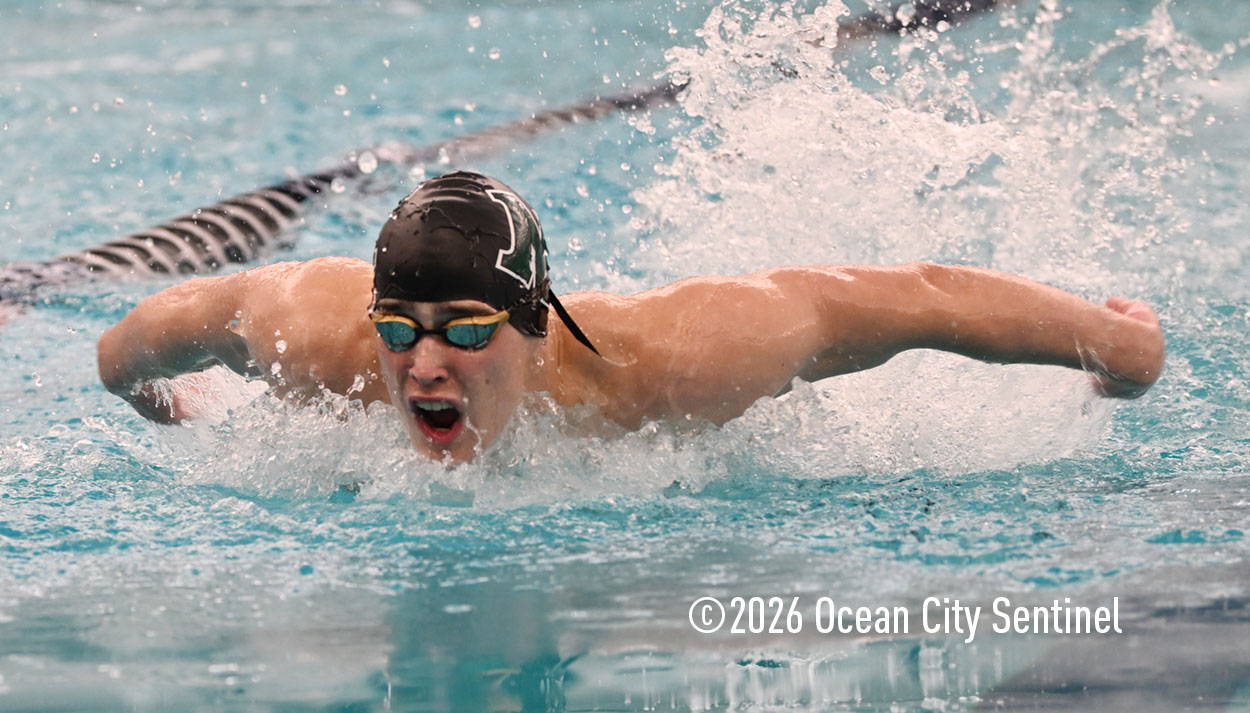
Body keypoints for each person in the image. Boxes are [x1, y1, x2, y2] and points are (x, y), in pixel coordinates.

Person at [97, 171, 1165, 463]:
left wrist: (1118, 345)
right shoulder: (316, 338)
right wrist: (153, 398)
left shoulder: (673, 362)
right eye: (400, 328)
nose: (422, 364)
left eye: (464, 330)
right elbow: (133, 339)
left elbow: (915, 297)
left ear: (533, 324)